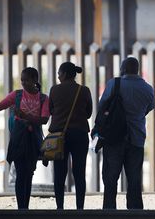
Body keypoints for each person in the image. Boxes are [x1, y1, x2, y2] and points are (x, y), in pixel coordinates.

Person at [0, 67, 50, 209]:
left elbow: (44, 120)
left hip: (32, 139)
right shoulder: (16, 95)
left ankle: (24, 208)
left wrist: (24, 116)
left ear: (35, 80)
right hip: (19, 139)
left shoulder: (43, 98)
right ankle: (21, 208)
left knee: (28, 173)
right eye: (22, 80)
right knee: (21, 173)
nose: (23, 83)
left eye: (26, 80)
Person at [96, 57, 155, 209]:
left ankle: (110, 210)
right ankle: (135, 211)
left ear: (123, 69)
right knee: (134, 179)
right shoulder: (148, 89)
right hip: (137, 137)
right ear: (137, 69)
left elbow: (102, 106)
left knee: (110, 178)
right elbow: (149, 108)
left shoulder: (114, 84)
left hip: (114, 137)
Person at [48, 62, 92, 209]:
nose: (58, 76)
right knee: (79, 171)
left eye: (59, 74)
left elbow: (51, 110)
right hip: (80, 134)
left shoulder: (54, 90)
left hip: (59, 136)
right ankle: (80, 207)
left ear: (65, 74)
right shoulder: (84, 90)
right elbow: (89, 113)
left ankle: (60, 206)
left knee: (59, 172)